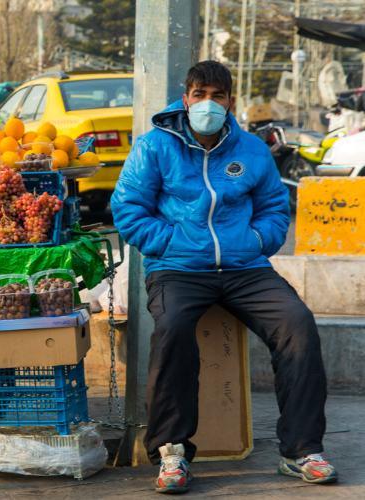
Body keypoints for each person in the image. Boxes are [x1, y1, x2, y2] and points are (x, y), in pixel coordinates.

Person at [111, 60, 337, 494]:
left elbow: (274, 208)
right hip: (177, 268)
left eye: (217, 96)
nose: (208, 104)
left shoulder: (251, 149)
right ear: (186, 99)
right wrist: (173, 242)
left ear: (231, 101)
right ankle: (172, 452)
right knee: (173, 330)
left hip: (245, 268)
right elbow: (128, 211)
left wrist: (255, 241)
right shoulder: (155, 147)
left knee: (298, 325)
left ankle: (301, 450)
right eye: (200, 95)